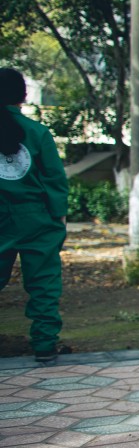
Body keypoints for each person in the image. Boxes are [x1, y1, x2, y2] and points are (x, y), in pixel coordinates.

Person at [0, 67, 70, 364]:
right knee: (43, 284)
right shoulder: (38, 133)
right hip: (37, 219)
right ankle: (44, 344)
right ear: (23, 97)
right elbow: (55, 181)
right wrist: (58, 219)